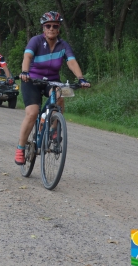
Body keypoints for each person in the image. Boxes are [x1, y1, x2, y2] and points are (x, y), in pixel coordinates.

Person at [14, 11, 90, 165]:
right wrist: (25, 72)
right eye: (48, 25)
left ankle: (53, 130)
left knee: (60, 96)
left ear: (59, 28)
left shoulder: (63, 45)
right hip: (32, 80)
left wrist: (81, 78)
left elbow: (71, 62)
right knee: (32, 113)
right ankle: (20, 148)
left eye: (55, 26)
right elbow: (27, 56)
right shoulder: (35, 41)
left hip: (52, 81)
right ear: (43, 28)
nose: (51, 28)